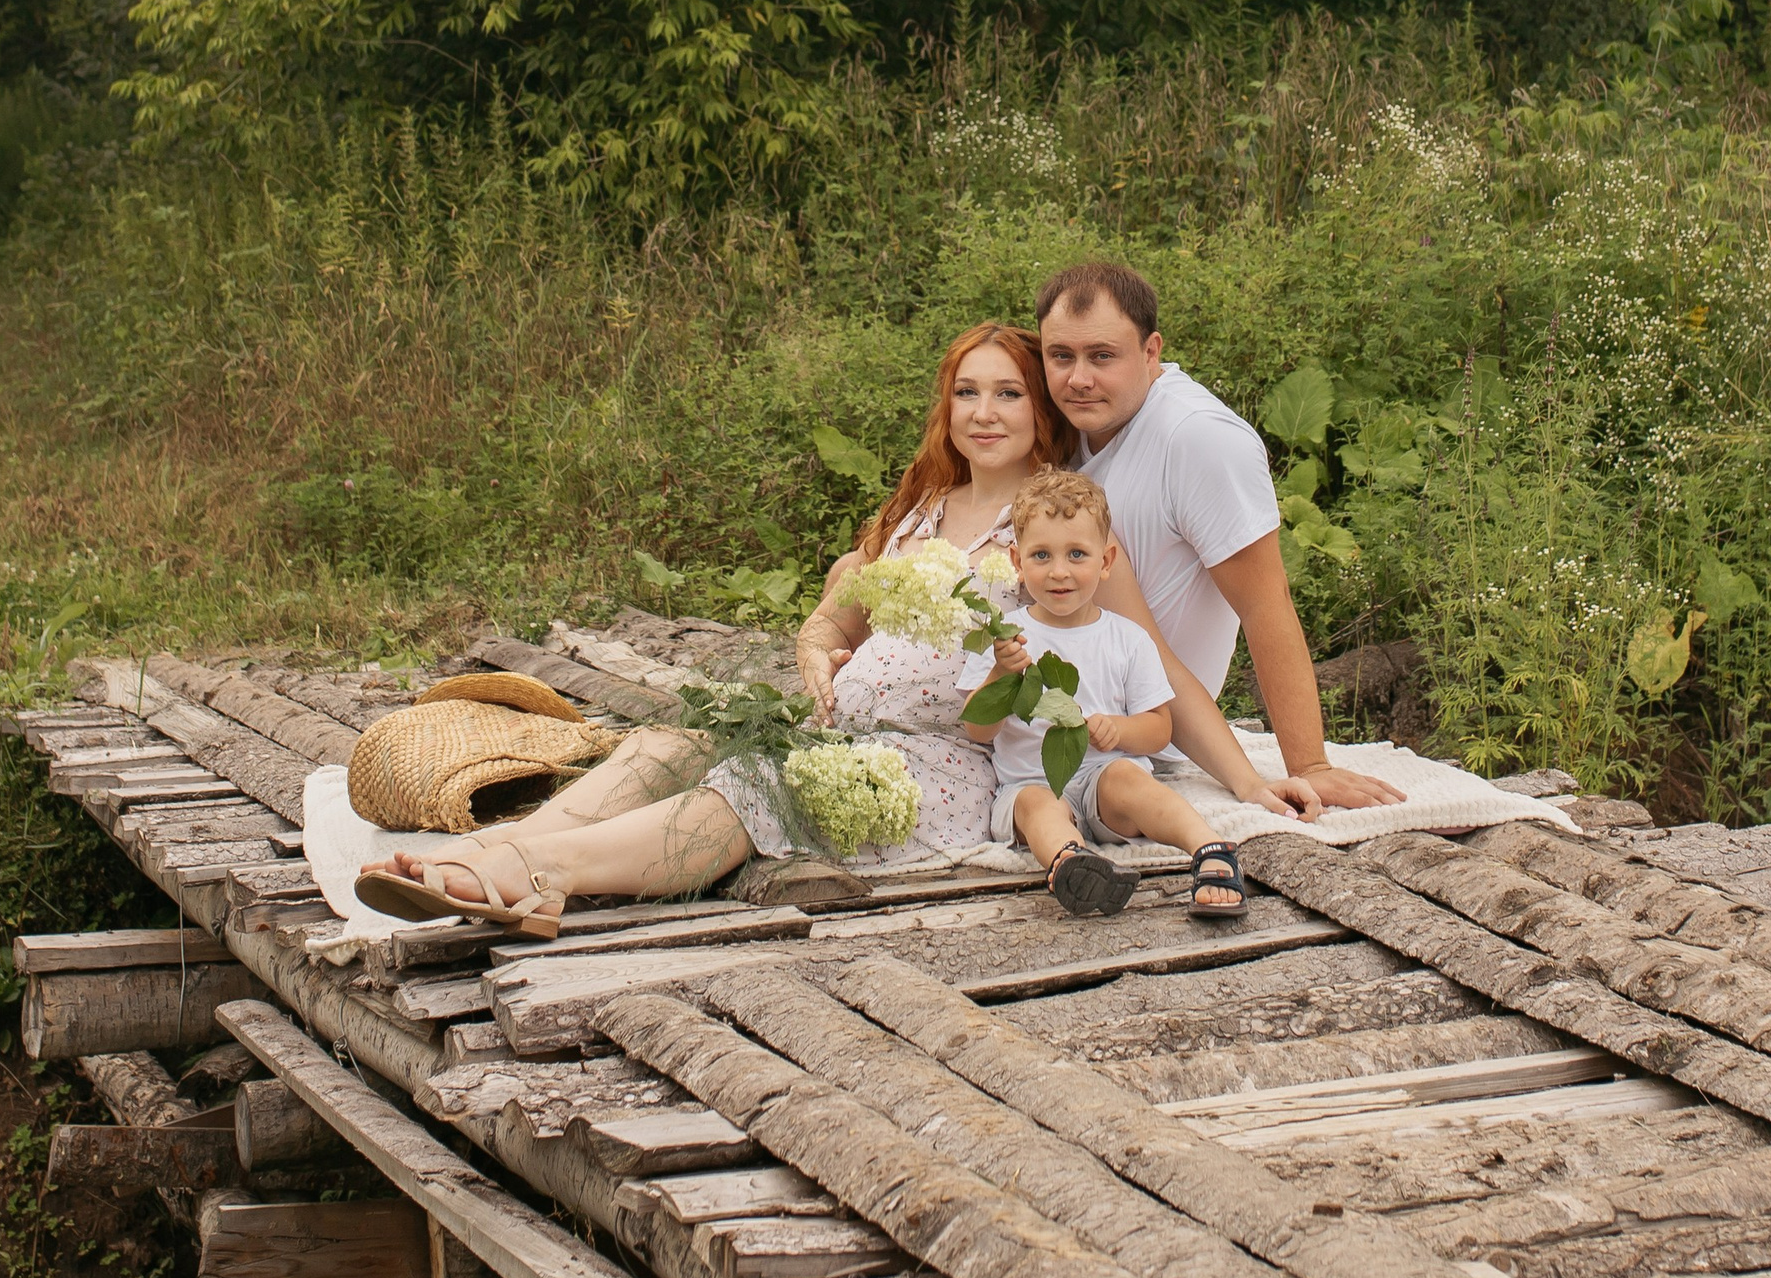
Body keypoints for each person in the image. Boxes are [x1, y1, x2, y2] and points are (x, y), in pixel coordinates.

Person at [359, 319, 1273, 925]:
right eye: (967, 392)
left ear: (1040, 411)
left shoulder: (1056, 530)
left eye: (1007, 393)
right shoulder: (921, 512)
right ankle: (487, 848)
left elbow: (1155, 658)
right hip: (844, 729)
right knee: (670, 746)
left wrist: (1265, 777)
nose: (984, 412)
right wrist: (817, 659)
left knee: (748, 795)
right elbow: (827, 626)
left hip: (944, 765)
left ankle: (530, 878)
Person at [1036, 258, 1403, 816]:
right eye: (1061, 356)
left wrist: (1309, 766)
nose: (1078, 378)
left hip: (1135, 739)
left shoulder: (1197, 438)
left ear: (1152, 350)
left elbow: (1265, 602)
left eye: (1102, 356)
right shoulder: (1069, 424)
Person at [962, 470, 1250, 919]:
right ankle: (1074, 863)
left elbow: (1159, 729)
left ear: (1106, 560)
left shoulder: (1129, 639)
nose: (1059, 571)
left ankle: (1209, 848)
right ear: (1017, 561)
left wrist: (1118, 729)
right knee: (1037, 807)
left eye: (1077, 554)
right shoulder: (1008, 637)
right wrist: (1001, 672)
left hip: (1104, 779)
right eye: (1041, 555)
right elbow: (976, 728)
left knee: (1130, 780)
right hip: (1031, 780)